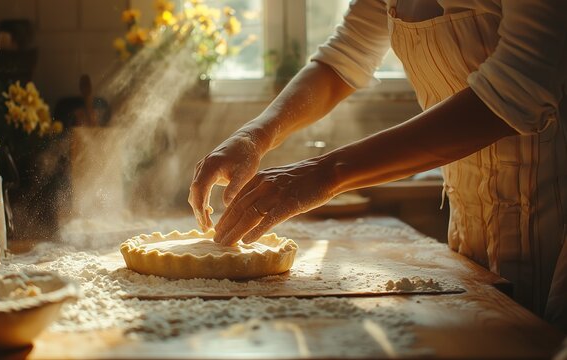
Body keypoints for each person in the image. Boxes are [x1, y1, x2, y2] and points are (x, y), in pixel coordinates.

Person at [189, 0, 566, 329]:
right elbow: (341, 59)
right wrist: (256, 134)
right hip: (473, 225)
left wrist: (326, 173)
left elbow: (520, 86)